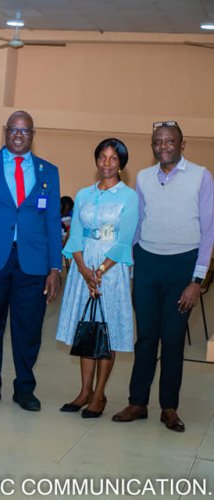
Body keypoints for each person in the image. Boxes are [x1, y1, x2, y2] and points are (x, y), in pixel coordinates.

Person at [112, 121, 214, 432]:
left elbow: (209, 232)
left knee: (172, 339)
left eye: (170, 141)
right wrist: (125, 266)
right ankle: (137, 402)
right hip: (146, 263)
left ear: (182, 145)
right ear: (152, 146)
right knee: (145, 337)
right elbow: (137, 226)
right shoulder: (143, 178)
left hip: (182, 267)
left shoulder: (201, 176)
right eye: (158, 141)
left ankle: (169, 407)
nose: (163, 146)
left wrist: (196, 281)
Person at [0, 110, 62, 412]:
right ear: (5, 132)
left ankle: (24, 388)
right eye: (13, 129)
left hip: (32, 263)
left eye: (24, 130)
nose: (18, 135)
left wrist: (54, 267)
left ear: (33, 135)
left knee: (28, 329)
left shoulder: (49, 171)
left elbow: (52, 222)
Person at [55, 138, 138, 418]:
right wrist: (82, 268)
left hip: (111, 272)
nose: (106, 163)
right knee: (87, 330)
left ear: (121, 164)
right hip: (83, 268)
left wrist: (100, 271)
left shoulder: (129, 197)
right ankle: (84, 391)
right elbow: (74, 234)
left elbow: (124, 240)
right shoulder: (83, 195)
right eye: (102, 157)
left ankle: (100, 394)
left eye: (113, 158)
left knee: (107, 330)